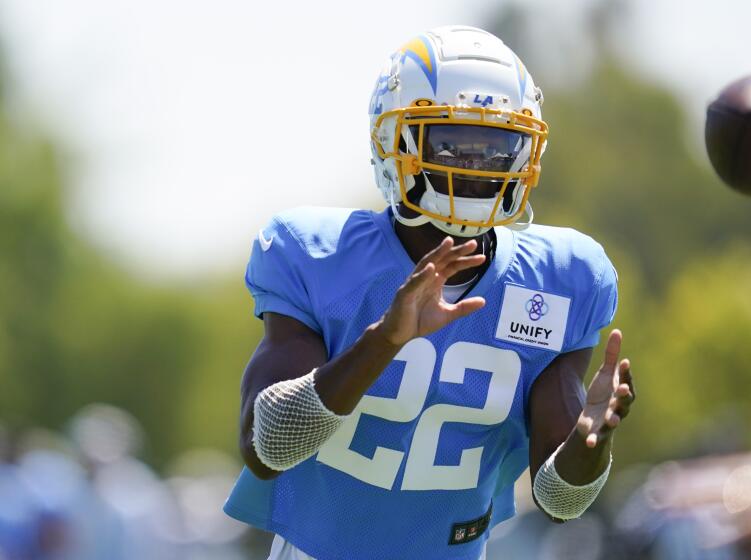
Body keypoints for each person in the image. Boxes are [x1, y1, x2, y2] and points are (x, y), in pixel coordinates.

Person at [224, 25, 635, 560]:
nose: (474, 167)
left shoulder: (563, 279)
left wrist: (591, 444)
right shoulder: (317, 255)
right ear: (394, 142)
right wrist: (382, 341)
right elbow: (266, 446)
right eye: (453, 143)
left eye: (496, 147)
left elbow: (558, 500)